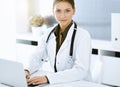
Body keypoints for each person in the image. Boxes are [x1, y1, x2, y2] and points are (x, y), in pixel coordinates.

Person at [25, 0, 91, 86]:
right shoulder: (48, 33)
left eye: (67, 11)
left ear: (74, 11)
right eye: (58, 11)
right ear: (53, 11)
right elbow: (37, 56)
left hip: (79, 83)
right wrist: (27, 70)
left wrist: (48, 78)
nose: (62, 15)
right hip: (59, 83)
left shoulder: (83, 36)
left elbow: (81, 70)